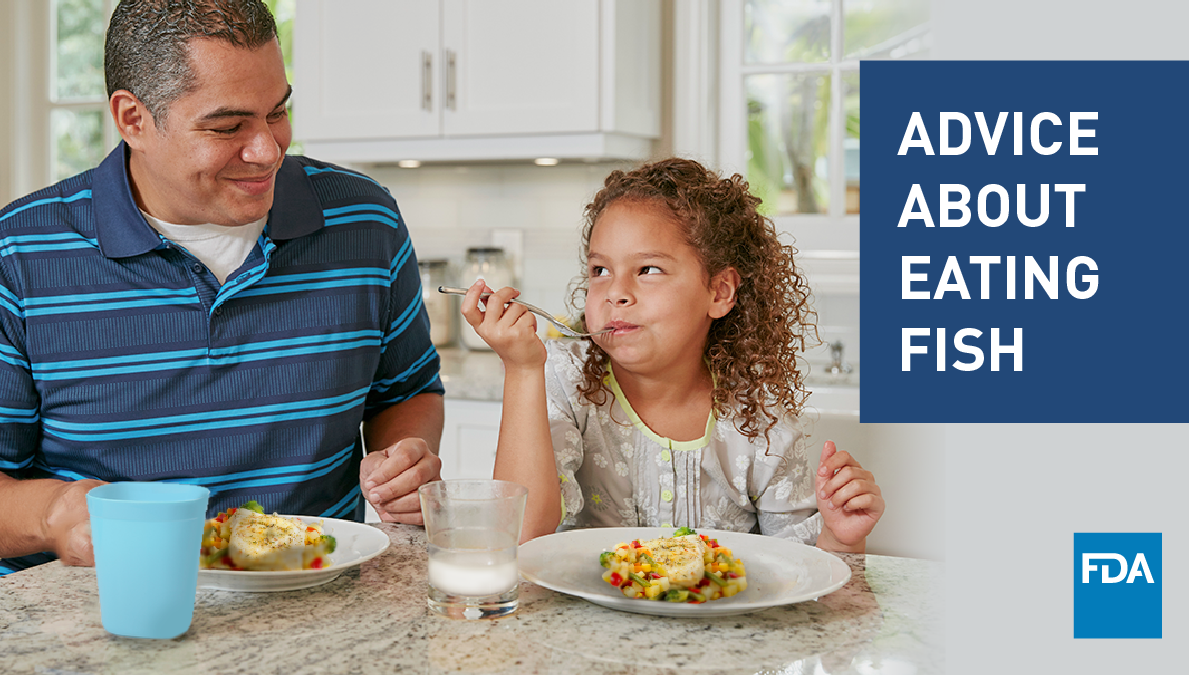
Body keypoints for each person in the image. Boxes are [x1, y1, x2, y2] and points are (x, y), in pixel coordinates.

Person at [0, 0, 443, 576]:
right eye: (228, 126)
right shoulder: (19, 253)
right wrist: (56, 515)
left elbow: (408, 390)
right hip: (107, 614)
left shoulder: (364, 221)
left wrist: (402, 460)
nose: (267, 150)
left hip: (314, 601)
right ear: (133, 119)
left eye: (277, 112)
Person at [460, 158, 884, 551]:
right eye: (599, 270)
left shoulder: (758, 416)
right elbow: (521, 535)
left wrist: (840, 537)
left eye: (648, 270)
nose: (616, 293)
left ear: (718, 293)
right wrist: (521, 369)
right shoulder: (565, 379)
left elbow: (799, 573)